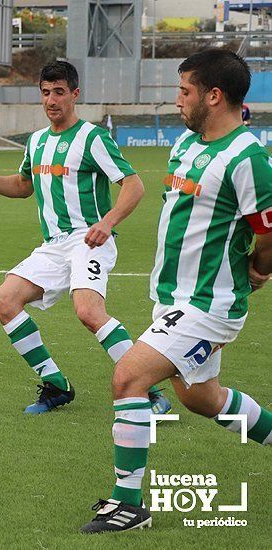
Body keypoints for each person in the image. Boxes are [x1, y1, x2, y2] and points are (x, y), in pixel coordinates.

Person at [80, 48, 272, 534]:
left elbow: (269, 237)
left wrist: (257, 271)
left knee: (128, 377)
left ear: (214, 95)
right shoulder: (186, 147)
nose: (176, 101)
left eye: (184, 91)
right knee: (200, 398)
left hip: (210, 304)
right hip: (173, 297)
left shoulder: (248, 159)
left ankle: (128, 504)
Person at [0, 60, 171, 416]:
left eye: (59, 92)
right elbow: (24, 186)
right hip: (54, 245)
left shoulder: (92, 138)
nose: (51, 100)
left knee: (88, 312)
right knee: (3, 301)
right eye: (45, 92)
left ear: (74, 94)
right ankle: (56, 385)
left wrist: (108, 221)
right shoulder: (37, 141)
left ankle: (149, 392)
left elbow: (133, 185)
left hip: (89, 240)